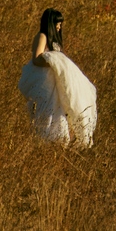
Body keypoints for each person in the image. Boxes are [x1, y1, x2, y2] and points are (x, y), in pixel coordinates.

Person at [18, 8, 98, 147]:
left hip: (53, 81)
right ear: (50, 22)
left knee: (59, 108)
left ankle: (57, 141)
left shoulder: (53, 40)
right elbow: (36, 59)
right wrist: (53, 62)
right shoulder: (42, 36)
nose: (59, 26)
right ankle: (46, 139)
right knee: (48, 108)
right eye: (57, 23)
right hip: (44, 81)